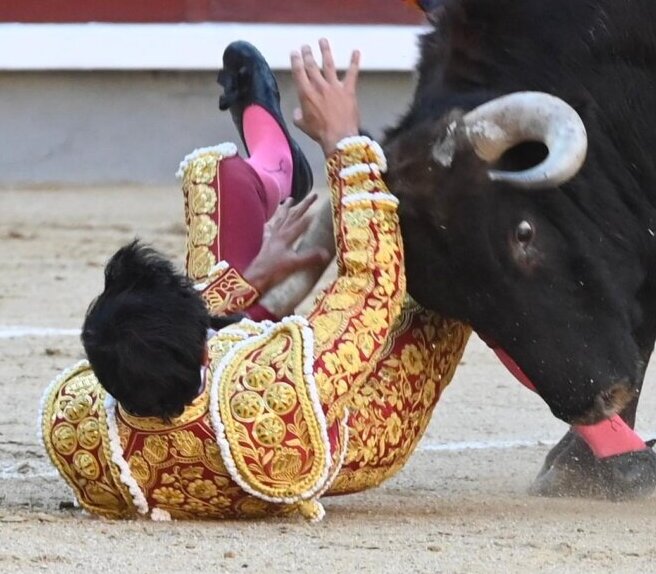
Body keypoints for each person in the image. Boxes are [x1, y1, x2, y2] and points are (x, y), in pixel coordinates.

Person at [39, 40, 470, 522]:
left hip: (230, 368)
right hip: (357, 410)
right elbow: (373, 286)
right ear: (206, 346)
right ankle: (575, 412)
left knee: (210, 174)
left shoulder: (82, 428)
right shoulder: (277, 393)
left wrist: (253, 277)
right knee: (451, 256)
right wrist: (344, 143)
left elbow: (164, 332)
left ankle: (276, 169)